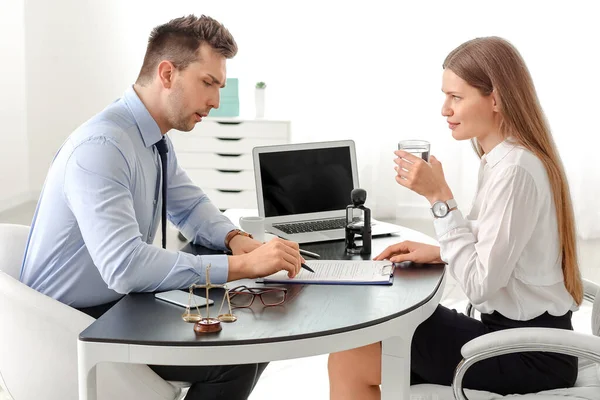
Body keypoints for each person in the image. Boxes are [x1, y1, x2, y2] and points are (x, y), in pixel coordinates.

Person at [20, 14, 304, 400]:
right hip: (69, 325)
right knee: (233, 358)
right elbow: (126, 267)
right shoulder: (101, 148)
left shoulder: (153, 139)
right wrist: (240, 267)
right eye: (208, 83)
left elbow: (190, 206)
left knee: (252, 337)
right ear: (167, 73)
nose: (216, 102)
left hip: (115, 304)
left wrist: (234, 238)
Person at [328, 36, 583, 399]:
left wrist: (439, 197)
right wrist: (439, 250)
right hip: (517, 338)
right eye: (445, 96)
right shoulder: (505, 159)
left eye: (456, 97)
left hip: (530, 354)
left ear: (495, 99)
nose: (444, 109)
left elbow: (480, 285)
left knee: (352, 353)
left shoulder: (515, 169)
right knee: (360, 344)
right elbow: (505, 236)